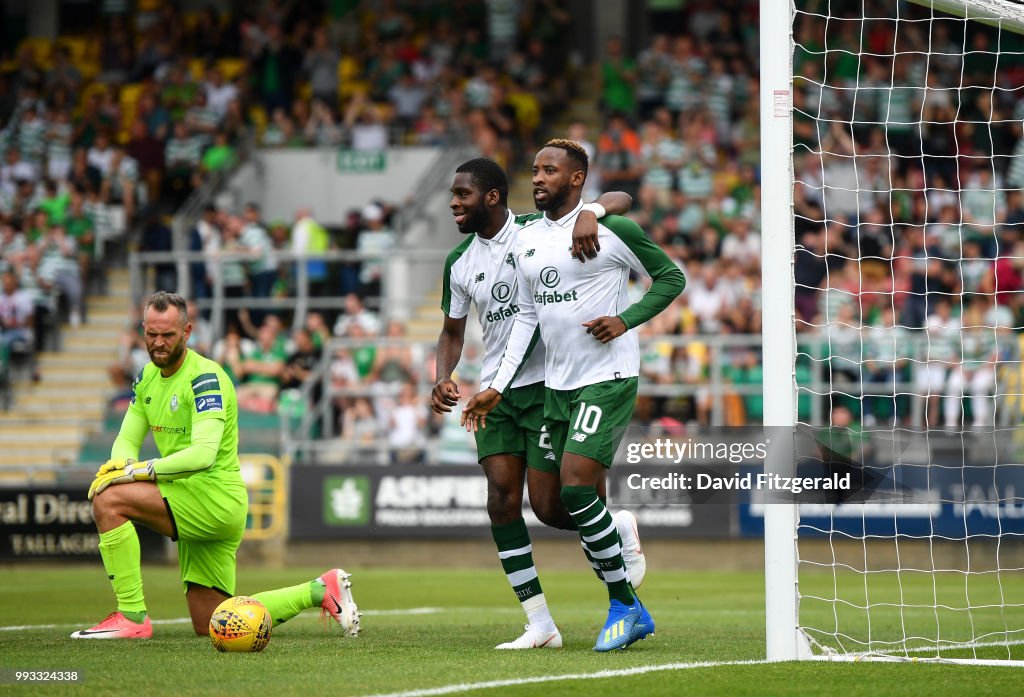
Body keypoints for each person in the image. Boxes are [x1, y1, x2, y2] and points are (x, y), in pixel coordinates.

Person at [462, 140, 686, 651]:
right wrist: (496, 385)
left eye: (549, 170)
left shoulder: (610, 228)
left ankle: (626, 605)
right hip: (556, 386)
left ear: (577, 179)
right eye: (535, 169)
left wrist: (624, 319)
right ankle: (620, 530)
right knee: (548, 505)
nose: (537, 178)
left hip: (607, 376)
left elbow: (671, 277)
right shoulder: (525, 240)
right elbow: (525, 314)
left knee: (578, 487)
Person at [431, 157, 642, 650]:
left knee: (552, 508)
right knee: (501, 499)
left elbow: (622, 201)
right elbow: (451, 331)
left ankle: (616, 527)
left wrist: (590, 210)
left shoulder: (536, 228)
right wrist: (443, 376)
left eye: (462, 195)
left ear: (491, 196)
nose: (453, 203)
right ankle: (540, 624)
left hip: (551, 384)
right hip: (493, 393)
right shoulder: (459, 263)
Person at [73, 292, 359, 639]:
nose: (159, 343)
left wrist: (132, 472)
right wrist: (119, 464)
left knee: (109, 499)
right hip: (187, 498)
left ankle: (131, 616)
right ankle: (319, 590)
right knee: (214, 624)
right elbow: (127, 438)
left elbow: (203, 454)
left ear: (187, 332)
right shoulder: (147, 377)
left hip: (213, 500)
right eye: (151, 334)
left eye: (168, 335)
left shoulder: (206, 378)